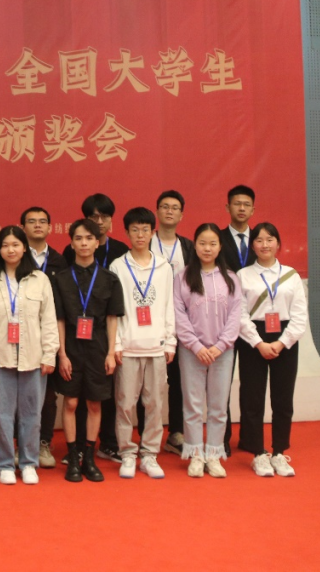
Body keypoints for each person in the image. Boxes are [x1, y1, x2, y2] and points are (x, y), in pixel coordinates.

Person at [0, 226, 58, 485]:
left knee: (31, 415)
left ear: (24, 248)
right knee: (2, 415)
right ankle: (5, 463)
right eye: (5, 245)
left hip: (34, 357)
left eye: (15, 244)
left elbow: (49, 320)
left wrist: (50, 355)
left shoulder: (40, 279)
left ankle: (28, 462)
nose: (11, 250)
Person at [53, 218, 124, 483]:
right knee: (71, 402)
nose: (83, 243)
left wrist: (110, 353)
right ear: (71, 243)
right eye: (78, 238)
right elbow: (59, 319)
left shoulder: (109, 279)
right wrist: (62, 354)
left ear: (97, 243)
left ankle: (90, 458)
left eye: (89, 238)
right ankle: (73, 457)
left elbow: (112, 318)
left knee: (94, 403)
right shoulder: (61, 279)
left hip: (98, 348)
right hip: (70, 348)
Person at [236, 222, 307, 478]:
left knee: (283, 398)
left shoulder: (291, 275)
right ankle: (258, 453)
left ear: (278, 243)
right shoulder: (243, 275)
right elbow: (239, 314)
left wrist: (280, 342)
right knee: (252, 398)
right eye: (259, 240)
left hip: (284, 339)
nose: (264, 244)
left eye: (270, 239)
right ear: (252, 245)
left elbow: (299, 316)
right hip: (252, 339)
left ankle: (278, 452)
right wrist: (258, 343)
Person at [173, 223, 243, 479]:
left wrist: (220, 346)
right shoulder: (182, 277)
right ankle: (195, 454)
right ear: (195, 245)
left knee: (218, 406)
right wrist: (196, 346)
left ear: (220, 247)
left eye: (213, 243)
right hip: (191, 352)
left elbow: (235, 316)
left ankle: (213, 454)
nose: (207, 248)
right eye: (202, 243)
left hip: (222, 352)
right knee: (192, 406)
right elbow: (178, 315)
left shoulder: (231, 278)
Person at [111, 208, 175, 480]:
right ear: (126, 232)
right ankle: (127, 453)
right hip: (128, 347)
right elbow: (114, 311)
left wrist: (170, 342)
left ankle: (149, 455)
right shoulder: (117, 266)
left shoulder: (164, 267)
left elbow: (169, 305)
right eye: (135, 230)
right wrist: (116, 344)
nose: (140, 235)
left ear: (153, 232)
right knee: (125, 403)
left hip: (157, 347)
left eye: (145, 230)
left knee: (155, 404)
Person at [21, 205, 68, 469]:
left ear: (50, 227)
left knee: (48, 396)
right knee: (20, 396)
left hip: (50, 335)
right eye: (32, 221)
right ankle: (20, 444)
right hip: (19, 336)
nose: (37, 225)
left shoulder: (60, 261)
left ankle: (43, 442)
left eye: (42, 221)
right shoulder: (14, 257)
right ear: (23, 227)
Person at [153, 191, 194, 455]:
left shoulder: (189, 247)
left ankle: (176, 431)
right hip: (150, 322)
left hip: (181, 323)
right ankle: (147, 434)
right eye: (165, 207)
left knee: (179, 380)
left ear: (181, 214)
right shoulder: (145, 243)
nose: (169, 211)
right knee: (149, 383)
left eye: (175, 208)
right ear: (157, 211)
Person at [218, 185, 257, 454]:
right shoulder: (217, 239)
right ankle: (221, 439)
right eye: (236, 203)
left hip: (254, 322)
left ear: (253, 209)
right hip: (224, 321)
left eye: (246, 204)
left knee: (252, 384)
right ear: (227, 207)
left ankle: (251, 438)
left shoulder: (261, 238)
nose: (241, 208)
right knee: (222, 384)